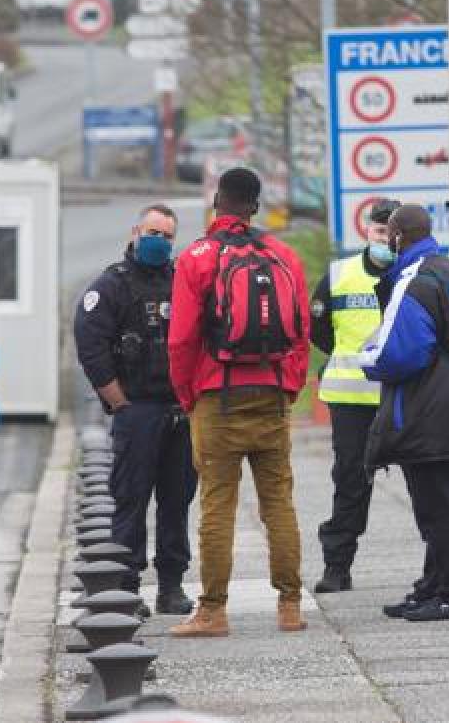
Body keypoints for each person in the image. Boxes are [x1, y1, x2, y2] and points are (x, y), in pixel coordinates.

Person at [167, 168, 312, 637]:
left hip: (217, 396)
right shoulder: (283, 254)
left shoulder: (198, 257)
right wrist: (289, 387)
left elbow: (181, 340)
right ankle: (290, 605)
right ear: (255, 204)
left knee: (217, 505)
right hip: (272, 392)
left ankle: (212, 611)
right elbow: (302, 334)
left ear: (217, 201)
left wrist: (188, 396)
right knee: (278, 503)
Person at [361, 204, 449, 622]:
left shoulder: (415, 280)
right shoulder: (448, 268)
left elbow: (402, 352)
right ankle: (434, 587)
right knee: (443, 503)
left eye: (388, 235)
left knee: (437, 508)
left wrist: (368, 360)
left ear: (399, 236)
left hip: (429, 410)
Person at [73, 204, 198, 617]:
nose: (158, 242)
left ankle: (171, 586)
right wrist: (118, 401)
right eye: (151, 232)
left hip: (181, 412)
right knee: (131, 501)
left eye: (166, 236)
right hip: (137, 409)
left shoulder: (184, 282)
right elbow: (90, 345)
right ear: (134, 232)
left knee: (177, 501)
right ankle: (126, 588)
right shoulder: (111, 286)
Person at [308, 199, 397, 593]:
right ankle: (337, 568)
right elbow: (318, 330)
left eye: (390, 233)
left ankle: (446, 570)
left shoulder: (413, 272)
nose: (385, 240)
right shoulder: (339, 275)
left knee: (430, 485)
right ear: (367, 231)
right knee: (349, 483)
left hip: (404, 398)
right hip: (352, 402)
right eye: (379, 232)